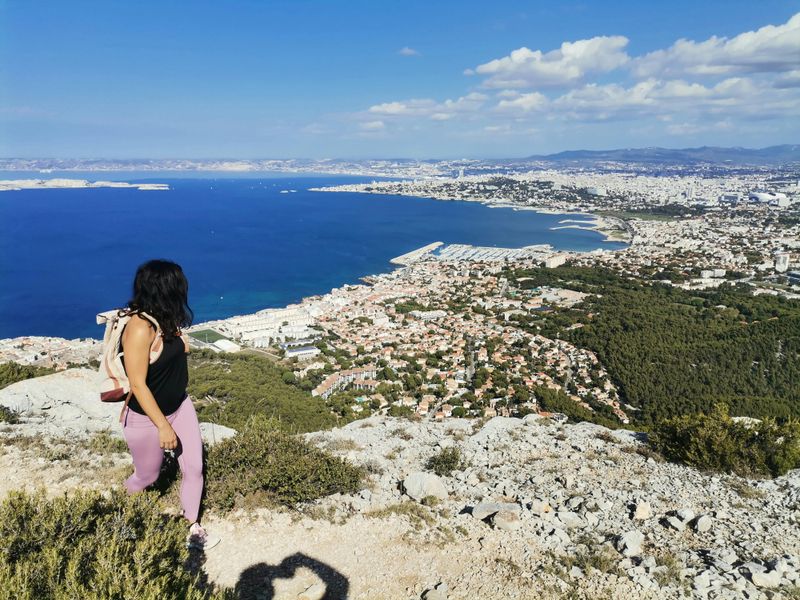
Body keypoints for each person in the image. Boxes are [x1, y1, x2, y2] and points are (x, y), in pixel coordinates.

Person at [118, 259, 219, 551]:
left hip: (180, 405)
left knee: (195, 468)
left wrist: (180, 344)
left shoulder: (166, 319)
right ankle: (119, 513)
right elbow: (137, 383)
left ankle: (192, 526)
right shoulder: (140, 328)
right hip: (146, 417)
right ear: (166, 289)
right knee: (147, 475)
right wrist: (163, 426)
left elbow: (176, 351)